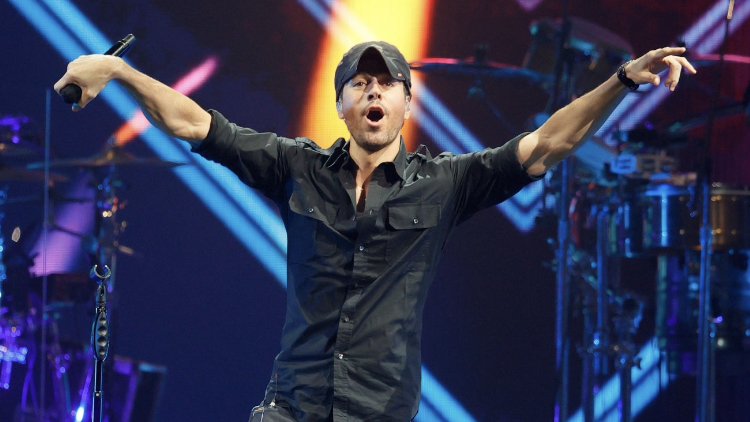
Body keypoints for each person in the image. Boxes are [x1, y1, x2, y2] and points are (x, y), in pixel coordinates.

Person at [54, 40, 695, 422]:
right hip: (292, 407)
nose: (373, 93)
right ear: (341, 104)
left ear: (406, 104)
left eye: (387, 84)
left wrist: (620, 80)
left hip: (380, 410)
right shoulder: (296, 167)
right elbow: (195, 124)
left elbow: (548, 143)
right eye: (359, 84)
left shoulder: (446, 182)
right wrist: (120, 73)